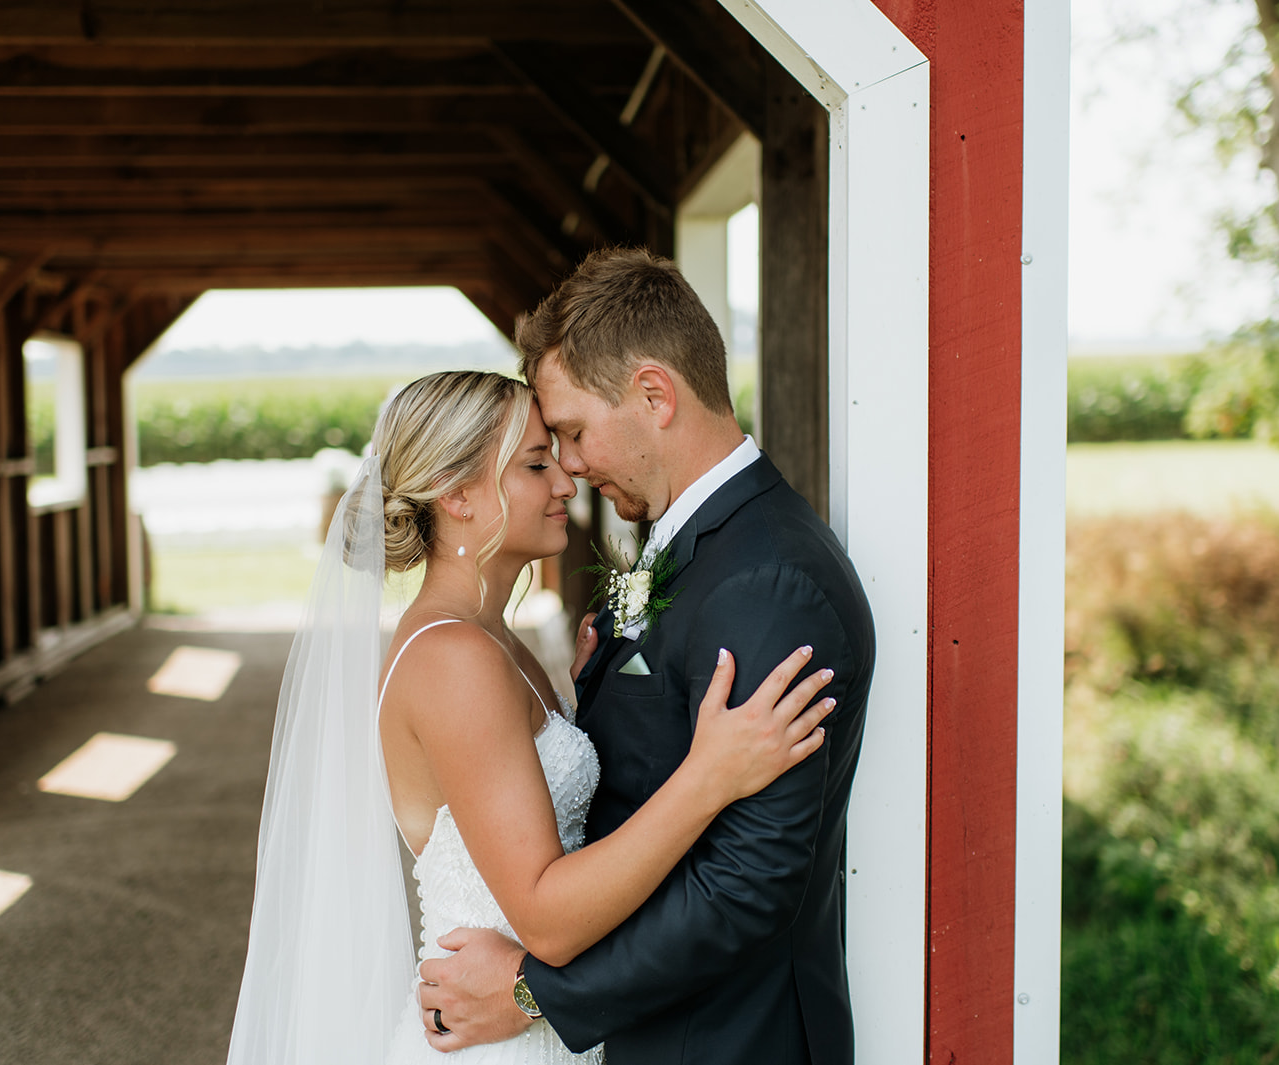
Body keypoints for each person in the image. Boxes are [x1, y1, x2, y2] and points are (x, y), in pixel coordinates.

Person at [224, 368, 837, 1065]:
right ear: (456, 493)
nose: (567, 483)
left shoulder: (492, 639)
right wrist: (710, 776)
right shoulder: (455, 657)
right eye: (537, 464)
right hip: (499, 1039)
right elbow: (544, 917)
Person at [415, 248, 877, 1065]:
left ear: (654, 395)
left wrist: (533, 991)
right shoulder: (696, 549)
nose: (570, 465)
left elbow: (746, 884)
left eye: (572, 431)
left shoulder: (767, 582)